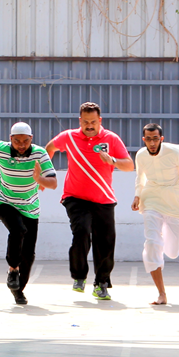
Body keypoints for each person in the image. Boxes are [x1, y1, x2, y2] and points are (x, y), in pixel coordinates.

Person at [45, 102, 134, 301]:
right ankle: (79, 276)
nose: (89, 126)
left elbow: (129, 165)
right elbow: (49, 148)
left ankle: (102, 283)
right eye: (85, 122)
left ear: (100, 120)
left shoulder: (111, 139)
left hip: (104, 199)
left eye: (93, 122)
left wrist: (112, 161)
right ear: (80, 121)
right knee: (82, 231)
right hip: (75, 197)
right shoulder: (69, 137)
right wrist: (46, 173)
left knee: (105, 242)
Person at [0, 121, 57, 305]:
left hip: (30, 207)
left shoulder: (39, 154)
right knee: (18, 230)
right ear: (10, 139)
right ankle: (13, 269)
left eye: (25, 141)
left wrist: (38, 178)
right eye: (17, 141)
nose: (21, 145)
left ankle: (18, 290)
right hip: (4, 200)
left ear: (31, 139)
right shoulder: (1, 149)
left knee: (28, 255)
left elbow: (53, 183)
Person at [132, 123, 179, 305]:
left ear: (161, 139)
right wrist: (137, 195)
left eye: (155, 139)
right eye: (148, 139)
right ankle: (161, 293)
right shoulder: (140, 155)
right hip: (152, 199)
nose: (152, 143)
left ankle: (159, 245)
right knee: (152, 243)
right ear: (144, 140)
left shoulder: (175, 151)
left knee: (172, 252)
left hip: (176, 201)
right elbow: (140, 177)